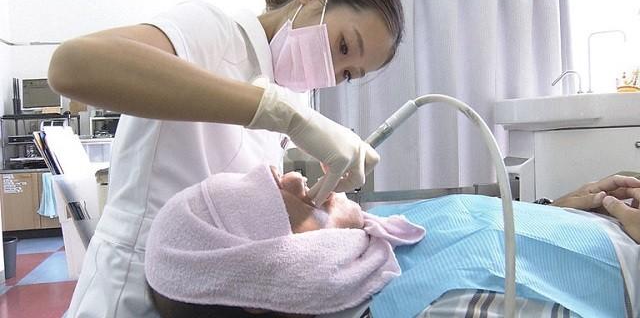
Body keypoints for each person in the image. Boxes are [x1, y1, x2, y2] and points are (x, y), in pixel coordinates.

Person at [47, 0, 404, 317]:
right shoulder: (214, 30)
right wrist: (284, 114)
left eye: (346, 75)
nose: (330, 71)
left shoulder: (290, 91)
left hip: (211, 294)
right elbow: (72, 66)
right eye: (342, 46)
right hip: (131, 284)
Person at [144, 168, 640, 318]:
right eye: (271, 197)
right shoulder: (431, 310)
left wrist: (550, 213)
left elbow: (479, 239)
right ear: (277, 275)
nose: (295, 178)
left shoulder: (370, 239)